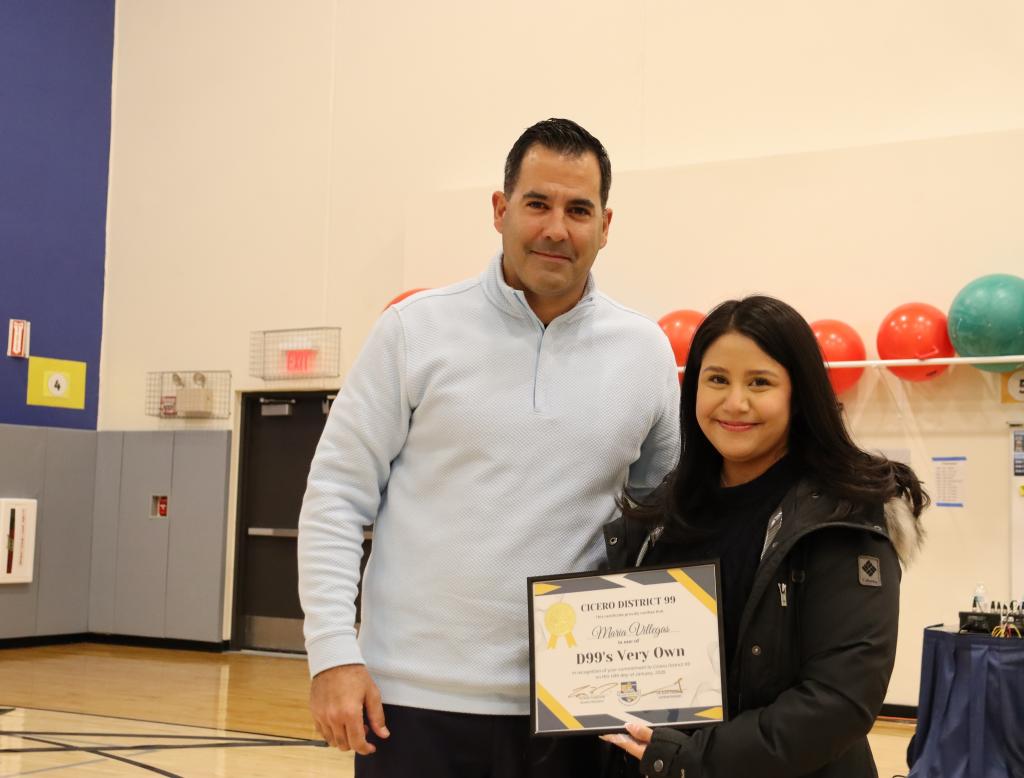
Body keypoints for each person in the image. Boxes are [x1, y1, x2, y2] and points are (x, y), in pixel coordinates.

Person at [297, 118, 680, 777]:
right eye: (538, 203)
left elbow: (667, 521)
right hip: (411, 705)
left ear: (606, 225)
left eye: (578, 209)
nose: (556, 228)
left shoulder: (645, 352)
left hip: (576, 714)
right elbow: (336, 496)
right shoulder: (413, 331)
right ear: (501, 211)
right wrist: (333, 653)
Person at [601, 295, 927, 778]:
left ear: (800, 394)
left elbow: (838, 703)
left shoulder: (845, 516)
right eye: (717, 380)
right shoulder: (668, 511)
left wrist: (691, 759)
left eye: (760, 382)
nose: (735, 402)